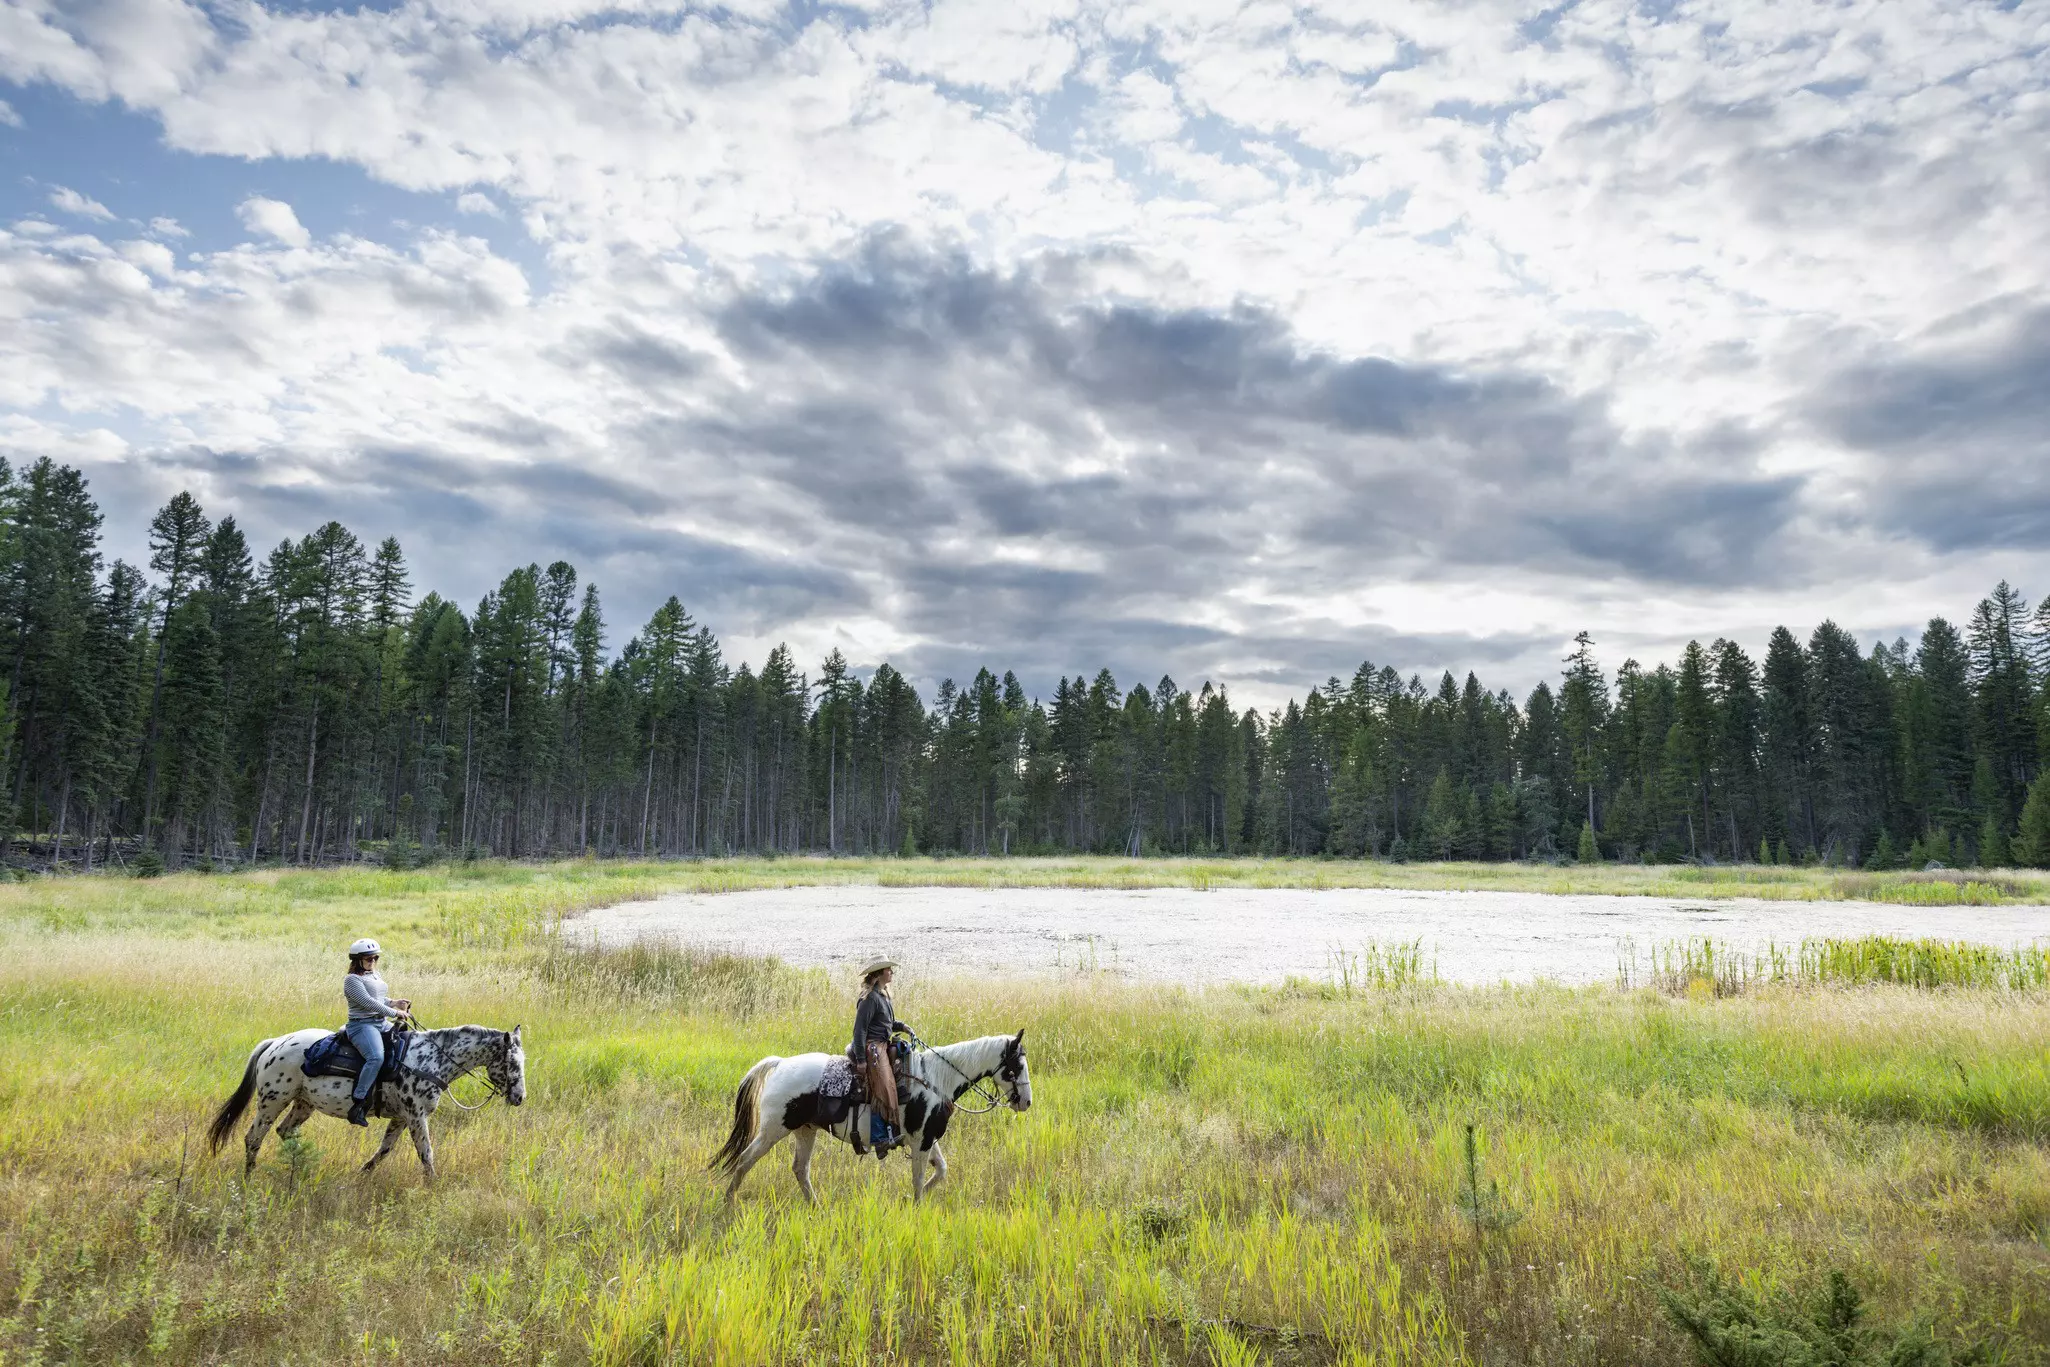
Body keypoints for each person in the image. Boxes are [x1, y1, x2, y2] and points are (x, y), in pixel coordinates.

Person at [343, 938, 411, 1127]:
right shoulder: (351, 980)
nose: (373, 961)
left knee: (407, 1042)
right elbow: (368, 1002)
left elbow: (379, 998)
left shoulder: (374, 975)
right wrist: (395, 1013)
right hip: (362, 1026)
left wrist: (394, 1002)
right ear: (357, 960)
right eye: (369, 959)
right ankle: (359, 1102)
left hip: (380, 1022)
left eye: (375, 958)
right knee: (375, 1057)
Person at [848, 955, 912, 1153]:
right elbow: (859, 1031)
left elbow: (885, 1023)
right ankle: (878, 1138)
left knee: (894, 1082)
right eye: (888, 969)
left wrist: (902, 1026)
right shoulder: (869, 999)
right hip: (873, 1048)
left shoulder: (883, 995)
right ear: (879, 973)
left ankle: (892, 1131)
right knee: (883, 1087)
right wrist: (861, 1060)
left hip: (883, 1045)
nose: (891, 972)